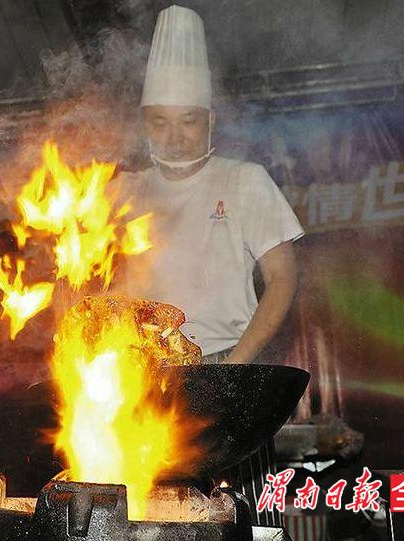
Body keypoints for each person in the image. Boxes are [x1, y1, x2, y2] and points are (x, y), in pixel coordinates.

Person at [120, 5, 304, 525]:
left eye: (188, 122)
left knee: (247, 519)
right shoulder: (118, 194)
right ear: (144, 123)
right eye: (160, 122)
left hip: (228, 370)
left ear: (210, 120)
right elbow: (92, 286)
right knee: (145, 518)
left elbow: (283, 277)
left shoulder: (244, 180)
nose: (174, 136)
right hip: (141, 379)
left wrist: (236, 366)